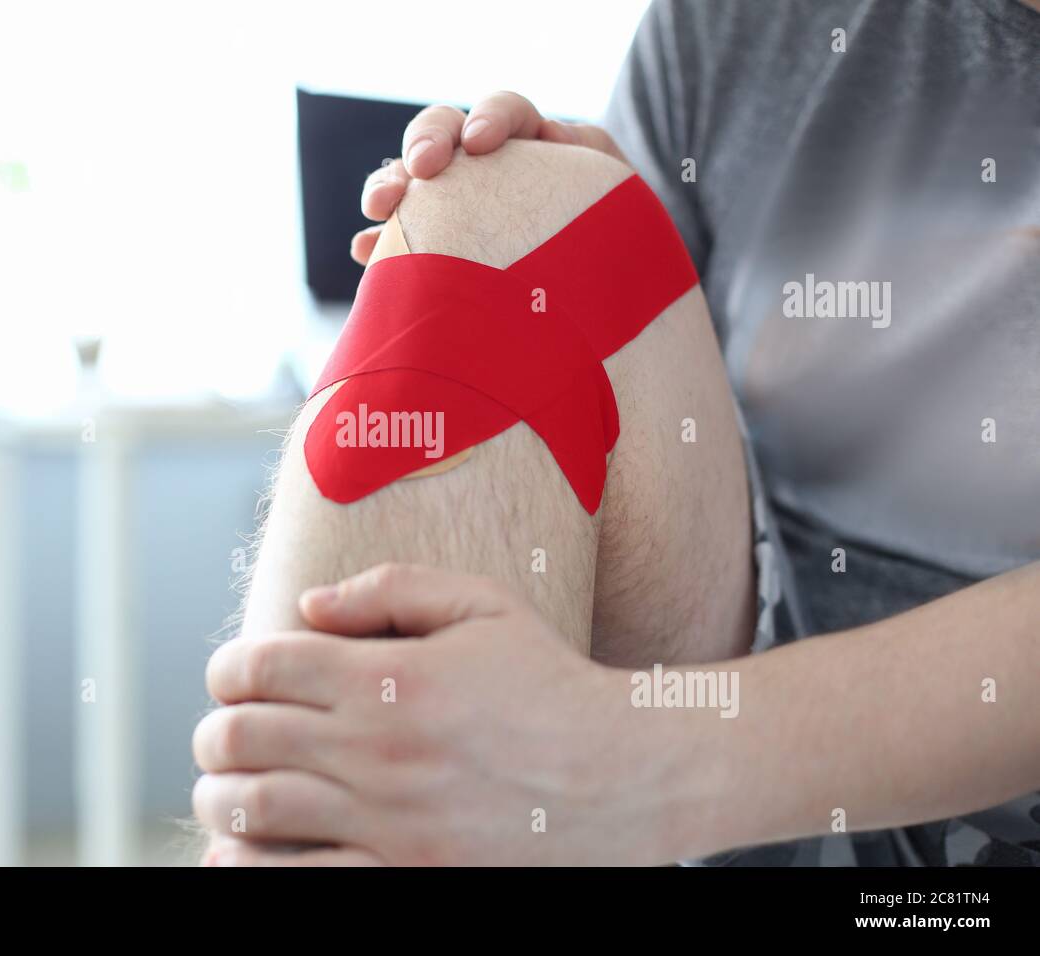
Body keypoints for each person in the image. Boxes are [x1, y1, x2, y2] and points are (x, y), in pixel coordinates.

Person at [192, 0, 1040, 865]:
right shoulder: (735, 26)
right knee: (500, 211)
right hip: (750, 684)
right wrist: (577, 229)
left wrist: (629, 761)